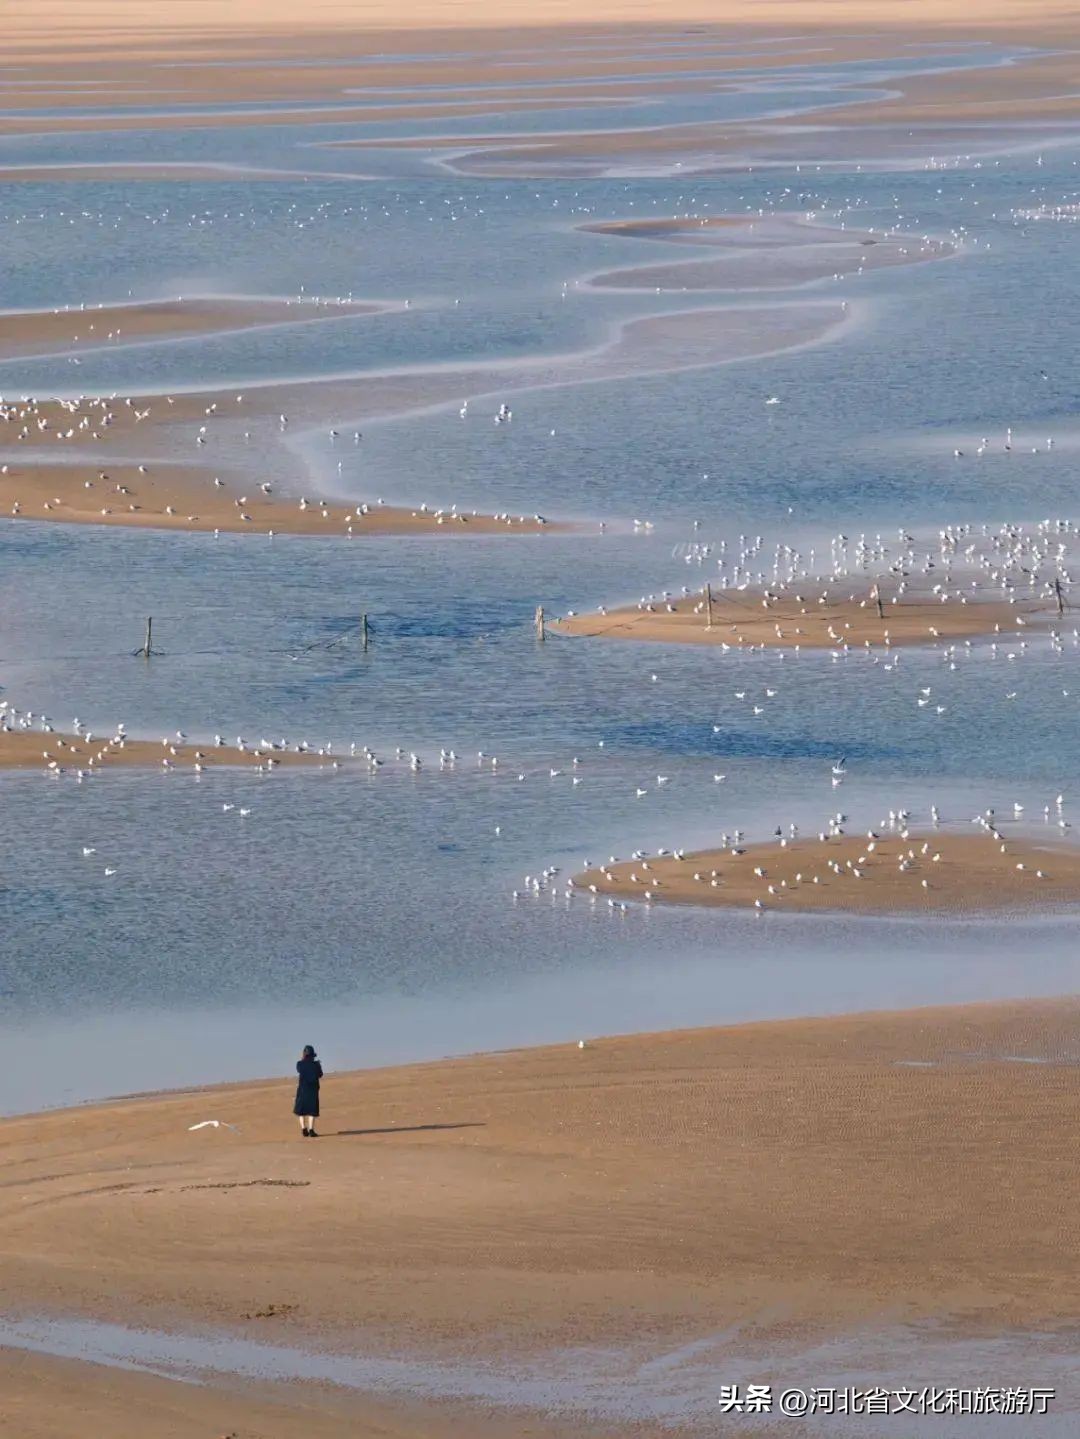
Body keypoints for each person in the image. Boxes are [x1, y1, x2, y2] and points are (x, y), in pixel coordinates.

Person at [293, 1045, 323, 1138]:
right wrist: (318, 1065)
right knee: (312, 1111)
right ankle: (311, 1130)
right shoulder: (316, 1065)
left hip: (302, 1090)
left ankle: (303, 1129)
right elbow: (320, 1075)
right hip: (313, 1090)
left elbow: (299, 1069)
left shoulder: (300, 1064)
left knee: (301, 1111)